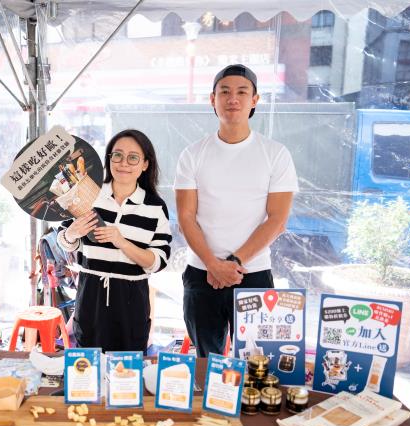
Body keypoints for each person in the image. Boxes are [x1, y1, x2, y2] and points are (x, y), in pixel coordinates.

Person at [174, 64, 299, 358]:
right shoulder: (192, 154)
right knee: (208, 360)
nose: (233, 98)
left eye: (242, 92)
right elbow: (186, 217)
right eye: (225, 92)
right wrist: (213, 265)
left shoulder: (275, 154)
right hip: (201, 274)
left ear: (254, 100)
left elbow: (277, 220)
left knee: (257, 361)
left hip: (253, 273)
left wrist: (232, 263)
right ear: (212, 99)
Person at [57, 129, 172, 352]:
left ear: (145, 164)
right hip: (91, 295)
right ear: (108, 159)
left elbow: (158, 261)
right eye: (117, 155)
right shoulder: (89, 195)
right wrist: (72, 234)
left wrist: (123, 242)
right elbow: (65, 241)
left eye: (133, 157)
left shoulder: (155, 207)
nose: (123, 163)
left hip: (132, 298)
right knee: (87, 367)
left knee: (127, 372)